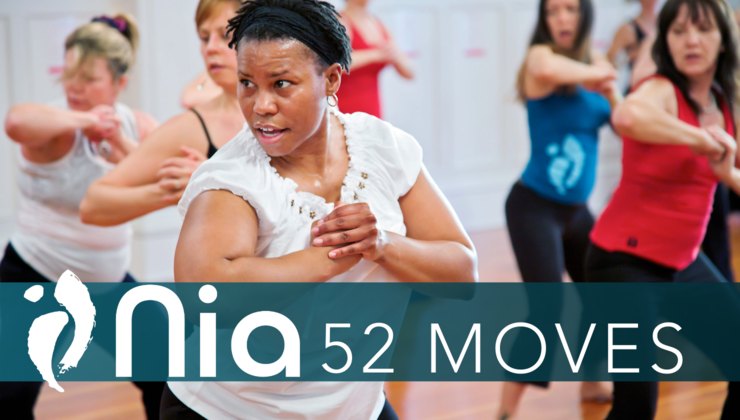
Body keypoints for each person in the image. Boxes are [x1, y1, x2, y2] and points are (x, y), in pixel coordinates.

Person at [159, 0, 477, 418]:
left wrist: (382, 244)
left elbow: (461, 273)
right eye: (247, 83)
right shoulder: (232, 178)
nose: (260, 105)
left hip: (353, 407)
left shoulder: (384, 147)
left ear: (330, 79)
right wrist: (330, 256)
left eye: (281, 84)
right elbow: (206, 295)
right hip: (226, 410)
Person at [0, 13, 162, 419]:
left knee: (166, 373)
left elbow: (161, 175)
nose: (74, 86)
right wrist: (88, 119)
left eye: (89, 78)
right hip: (35, 273)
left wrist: (116, 139)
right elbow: (16, 122)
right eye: (70, 73)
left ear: (119, 84)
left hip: (105, 281)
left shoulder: (136, 125)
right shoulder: (54, 124)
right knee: (8, 397)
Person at [585, 0, 740, 418]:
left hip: (682, 262)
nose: (691, 41)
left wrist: (728, 174)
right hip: (622, 262)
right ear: (665, 41)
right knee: (636, 406)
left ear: (724, 39)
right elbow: (628, 116)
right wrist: (700, 138)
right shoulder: (661, 90)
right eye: (678, 31)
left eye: (703, 29)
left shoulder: (726, 101)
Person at [497, 0, 621, 418]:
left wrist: (612, 86)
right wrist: (601, 74)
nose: (562, 18)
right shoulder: (541, 59)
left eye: (570, 9)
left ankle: (593, 378)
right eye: (553, 11)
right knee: (547, 310)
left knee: (602, 296)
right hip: (533, 206)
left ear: (585, 15)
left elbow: (623, 121)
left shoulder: (597, 67)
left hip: (578, 212)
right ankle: (505, 411)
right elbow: (548, 69)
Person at [80, 0, 244, 226]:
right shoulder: (191, 127)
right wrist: (171, 191)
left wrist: (217, 180)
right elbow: (93, 204)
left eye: (225, 36)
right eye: (204, 38)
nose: (211, 48)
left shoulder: (287, 116)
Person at [336, 0, 414, 117]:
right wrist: (375, 55)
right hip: (346, 109)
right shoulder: (340, 21)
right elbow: (336, 63)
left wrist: (395, 56)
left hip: (373, 109)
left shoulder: (377, 23)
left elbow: (409, 73)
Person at [607, 0, 659, 68]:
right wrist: (628, 58)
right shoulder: (627, 29)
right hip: (639, 72)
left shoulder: (664, 24)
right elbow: (609, 59)